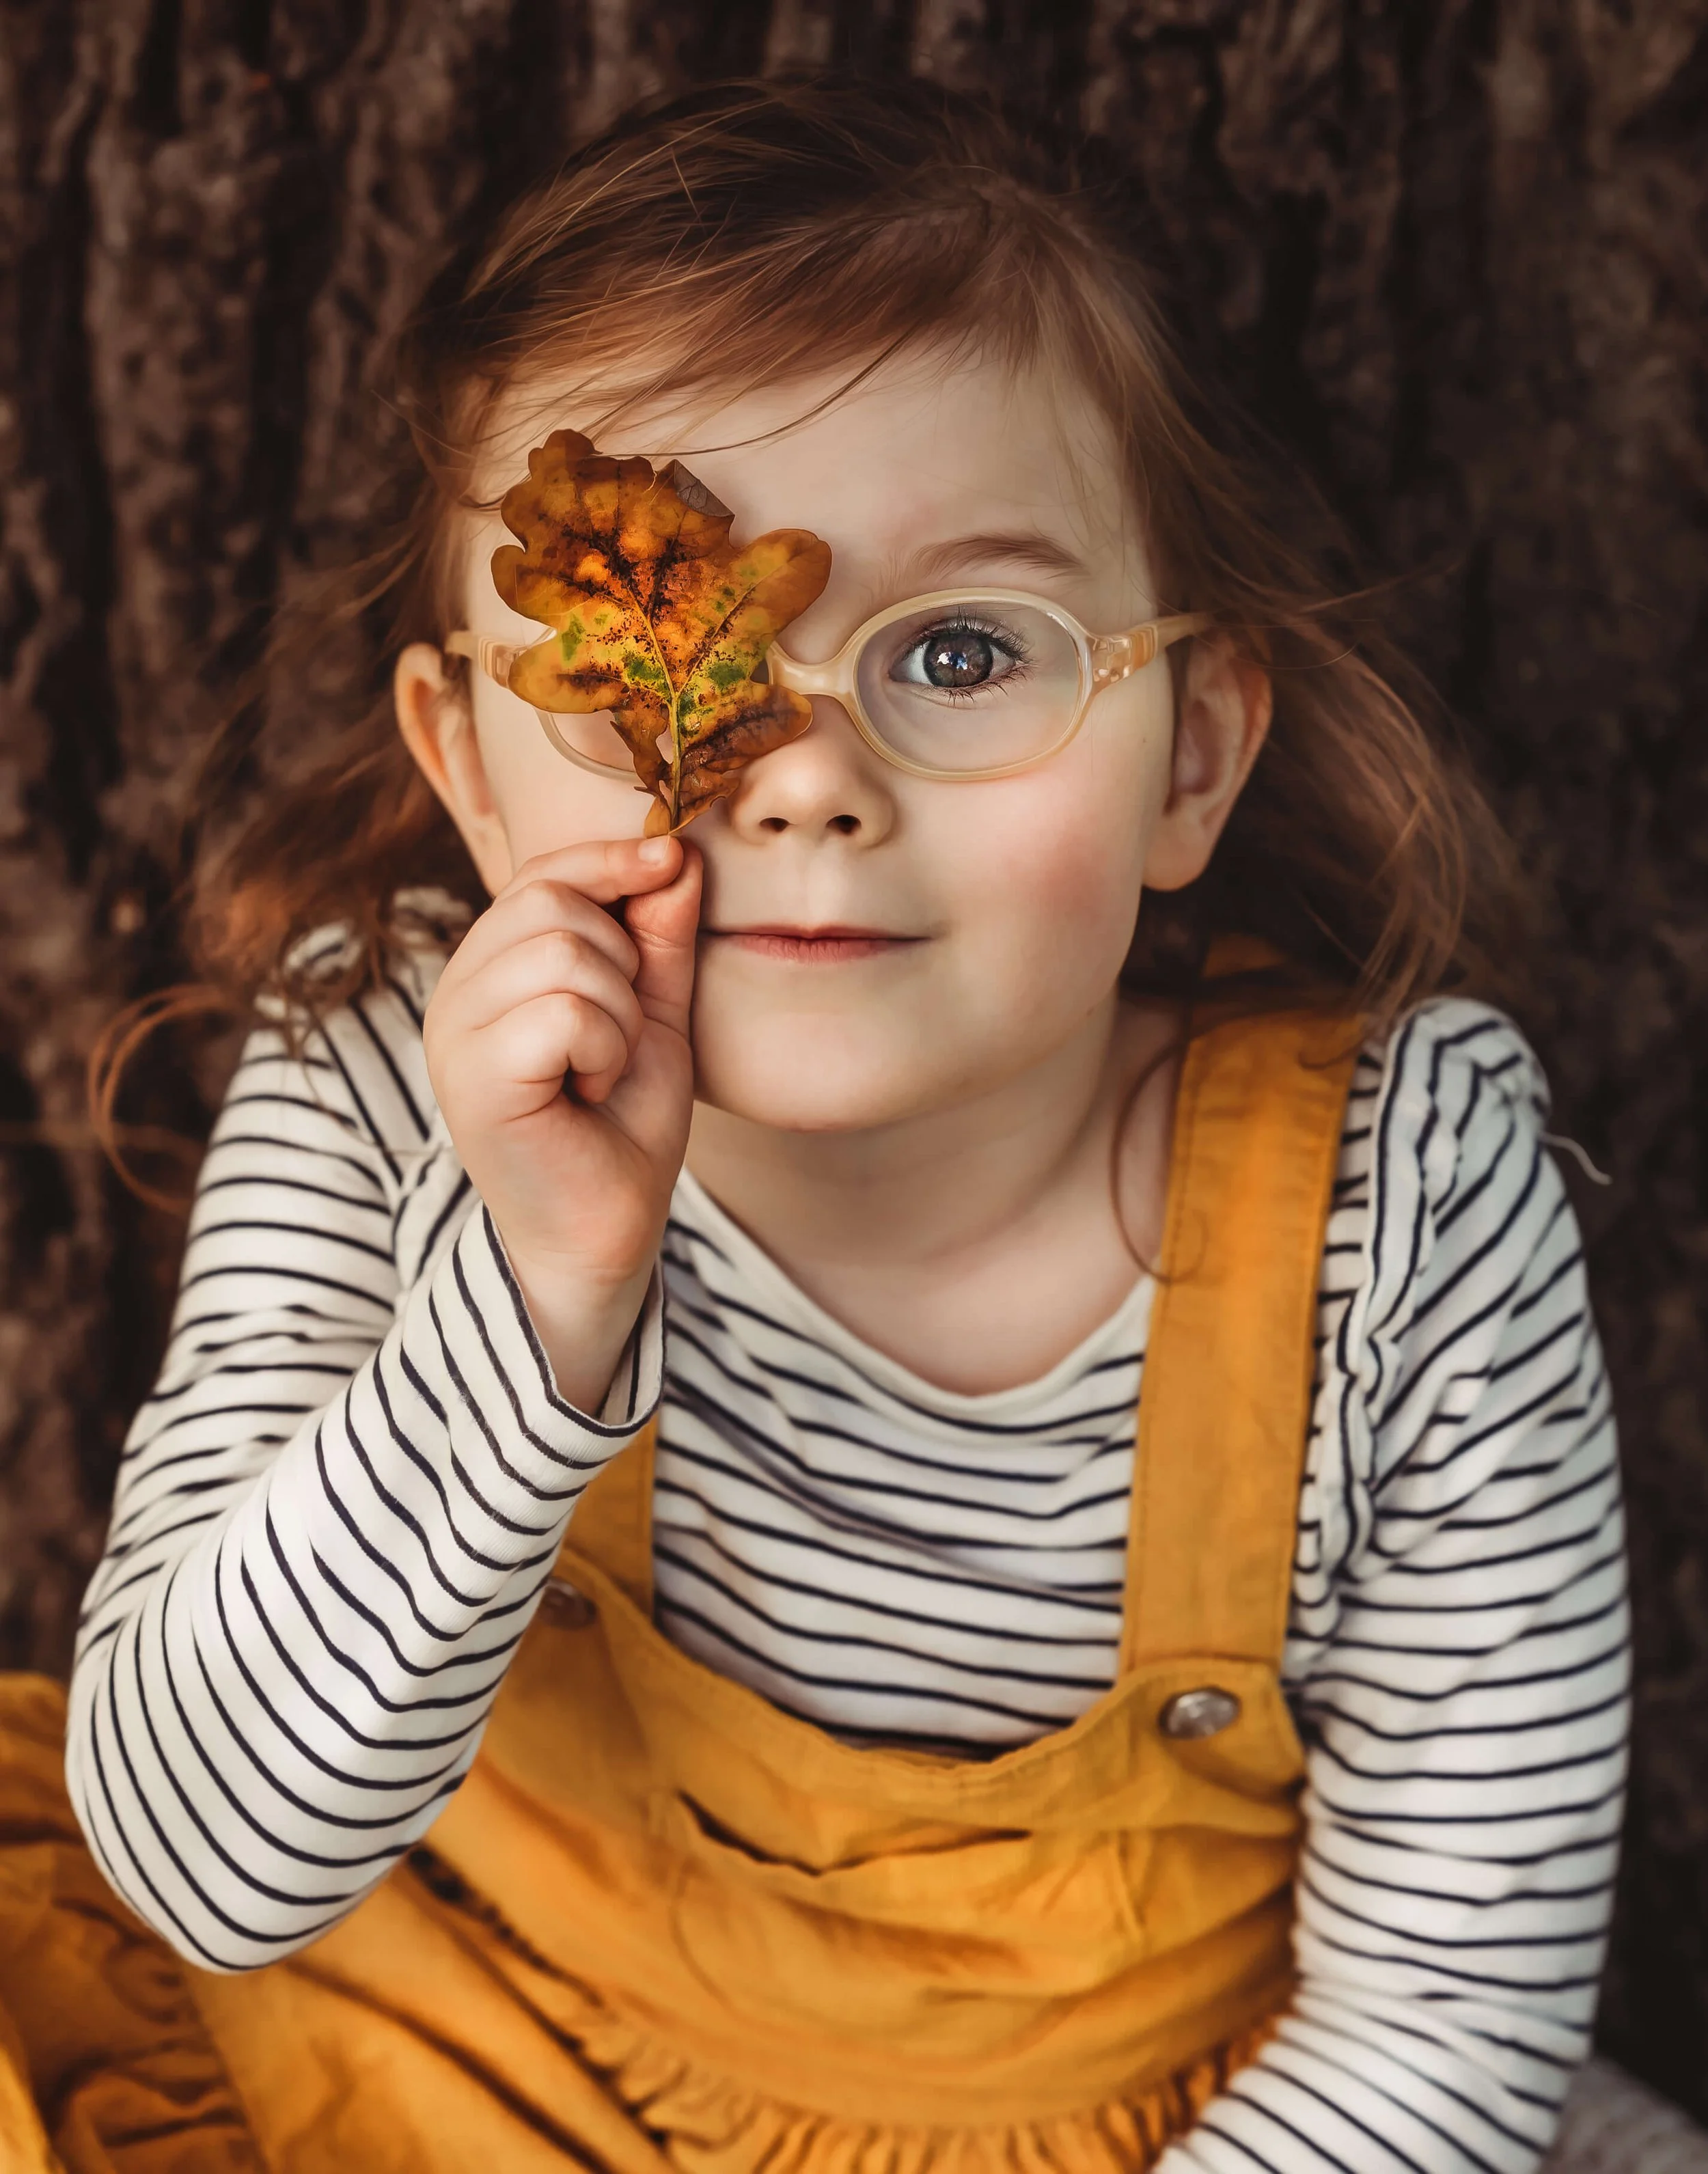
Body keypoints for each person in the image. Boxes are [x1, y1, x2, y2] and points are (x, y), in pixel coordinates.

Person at [0, 74, 1627, 2174]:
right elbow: (206, 1861)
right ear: (472, 773)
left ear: (1191, 758)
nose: (800, 781)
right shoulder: (395, 1065)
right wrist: (533, 1292)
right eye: (651, 675)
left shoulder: (1405, 1203)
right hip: (433, 2072)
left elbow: (1446, 2018)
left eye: (959, 647)